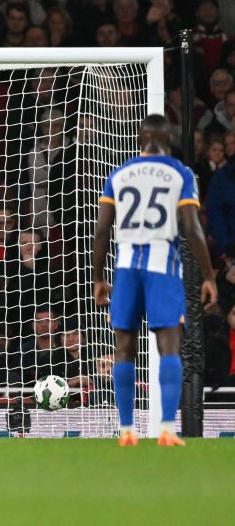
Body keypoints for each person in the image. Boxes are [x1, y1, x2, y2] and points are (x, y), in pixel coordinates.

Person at [92, 114, 218, 447]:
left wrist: (98, 277)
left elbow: (103, 229)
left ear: (139, 138)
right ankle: (165, 427)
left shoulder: (119, 174)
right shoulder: (179, 173)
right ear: (169, 139)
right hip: (164, 265)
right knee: (169, 345)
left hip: (127, 265)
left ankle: (127, 430)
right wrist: (208, 275)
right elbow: (191, 229)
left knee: (124, 345)